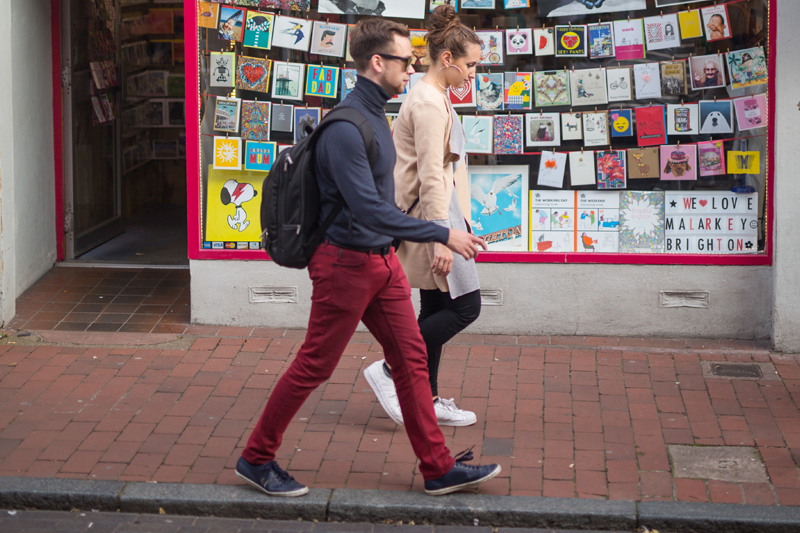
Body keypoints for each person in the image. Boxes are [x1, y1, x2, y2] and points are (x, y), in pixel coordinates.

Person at [235, 17, 500, 498]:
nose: (412, 67)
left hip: (380, 263)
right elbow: (368, 209)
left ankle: (437, 468)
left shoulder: (376, 114)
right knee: (315, 364)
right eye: (405, 60)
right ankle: (256, 457)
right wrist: (441, 232)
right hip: (345, 265)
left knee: (411, 356)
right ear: (377, 62)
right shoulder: (346, 127)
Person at [364, 5, 483, 429]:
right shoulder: (431, 104)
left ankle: (426, 398)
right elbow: (433, 175)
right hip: (432, 219)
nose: (472, 74)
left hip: (429, 217)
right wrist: (442, 236)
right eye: (469, 65)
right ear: (447, 59)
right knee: (467, 307)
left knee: (434, 306)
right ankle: (393, 368)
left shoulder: (426, 95)